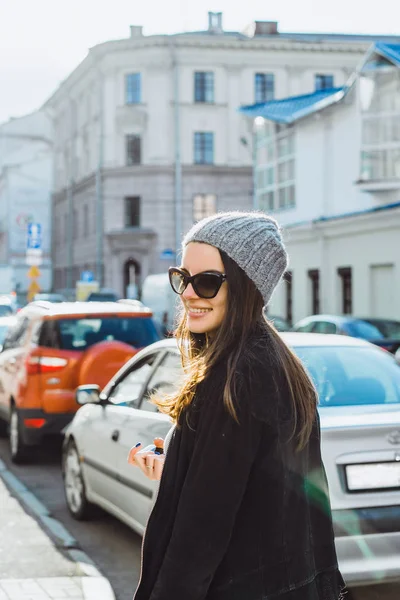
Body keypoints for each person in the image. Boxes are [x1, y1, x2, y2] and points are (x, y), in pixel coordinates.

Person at [128, 211, 345, 600]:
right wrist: (178, 468)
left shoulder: (235, 379)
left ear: (247, 287)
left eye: (208, 282)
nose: (189, 294)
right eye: (183, 278)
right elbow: (252, 487)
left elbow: (201, 533)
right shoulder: (277, 363)